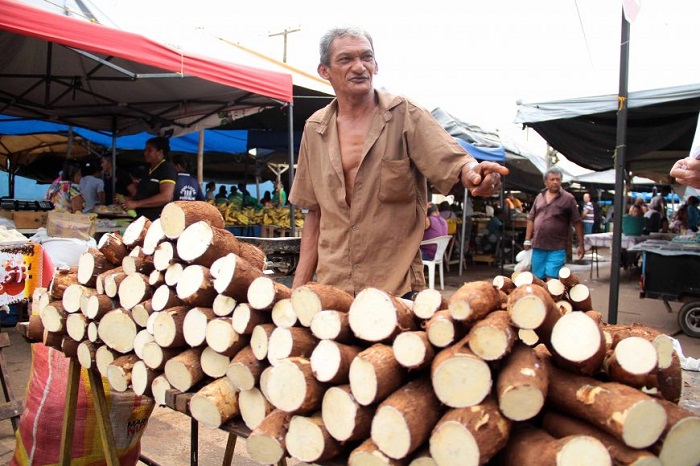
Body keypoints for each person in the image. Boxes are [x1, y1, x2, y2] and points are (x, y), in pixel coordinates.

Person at [289, 27, 508, 297]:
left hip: (395, 286)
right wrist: (297, 289)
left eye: (366, 57)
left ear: (376, 65)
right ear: (325, 71)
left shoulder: (405, 115)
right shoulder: (315, 129)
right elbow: (315, 215)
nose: (359, 67)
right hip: (334, 286)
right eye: (346, 59)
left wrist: (477, 174)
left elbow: (456, 161)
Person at [523, 167, 584, 280]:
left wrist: (581, 244)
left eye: (558, 179)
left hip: (557, 247)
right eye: (552, 179)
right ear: (546, 182)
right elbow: (531, 218)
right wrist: (527, 239)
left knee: (552, 279)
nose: (555, 182)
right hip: (538, 245)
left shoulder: (568, 199)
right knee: (537, 279)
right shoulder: (539, 197)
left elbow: (577, 222)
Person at [123, 137, 177, 221]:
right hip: (142, 218)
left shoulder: (166, 169)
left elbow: (166, 196)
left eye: (149, 150)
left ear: (160, 152)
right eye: (145, 150)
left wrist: (137, 203)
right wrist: (130, 200)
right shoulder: (147, 169)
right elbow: (144, 193)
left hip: (157, 221)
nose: (145, 153)